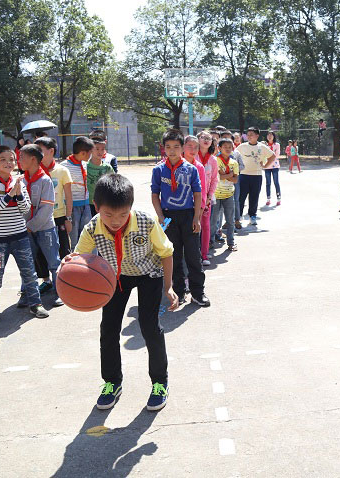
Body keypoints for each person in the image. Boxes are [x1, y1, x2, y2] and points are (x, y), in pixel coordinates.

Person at [67, 173, 179, 410]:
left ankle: (160, 382)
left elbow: (166, 252)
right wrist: (69, 264)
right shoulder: (92, 228)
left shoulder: (147, 222)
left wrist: (168, 287)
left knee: (149, 327)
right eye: (108, 214)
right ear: (96, 207)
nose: (115, 221)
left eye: (122, 214)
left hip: (149, 273)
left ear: (131, 206)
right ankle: (112, 382)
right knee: (108, 329)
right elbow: (80, 256)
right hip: (114, 277)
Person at [0, 145, 49, 323]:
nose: (8, 163)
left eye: (11, 159)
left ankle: (35, 304)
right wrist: (9, 195)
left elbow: (25, 209)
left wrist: (18, 194)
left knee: (29, 272)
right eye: (3, 160)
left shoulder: (20, 183)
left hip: (20, 237)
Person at [151, 129, 209, 308]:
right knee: (173, 255)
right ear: (164, 148)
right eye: (168, 147)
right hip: (168, 217)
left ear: (182, 148)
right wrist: (160, 216)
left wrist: (197, 218)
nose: (172, 150)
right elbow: (155, 194)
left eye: (176, 146)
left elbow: (197, 194)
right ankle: (178, 292)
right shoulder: (158, 170)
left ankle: (197, 293)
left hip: (188, 215)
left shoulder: (191, 169)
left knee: (193, 256)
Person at [18, 144, 62, 306]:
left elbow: (47, 208)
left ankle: (59, 292)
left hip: (45, 228)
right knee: (27, 263)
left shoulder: (45, 180)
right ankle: (27, 293)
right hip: (26, 230)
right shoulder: (21, 180)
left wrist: (30, 226)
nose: (19, 160)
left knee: (53, 262)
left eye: (22, 157)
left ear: (33, 159)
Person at [34, 137, 73, 259]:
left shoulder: (62, 171)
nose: (36, 154)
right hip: (40, 217)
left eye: (40, 150)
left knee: (64, 251)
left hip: (59, 216)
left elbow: (69, 196)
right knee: (41, 254)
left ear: (51, 151)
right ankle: (45, 273)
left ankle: (63, 272)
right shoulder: (33, 170)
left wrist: (68, 218)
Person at [236, 127, 275, 226]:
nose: (249, 137)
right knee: (241, 197)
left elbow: (273, 156)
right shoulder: (242, 146)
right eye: (248, 135)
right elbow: (234, 156)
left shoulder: (262, 147)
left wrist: (265, 166)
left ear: (257, 136)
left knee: (254, 197)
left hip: (257, 176)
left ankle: (252, 216)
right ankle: (238, 216)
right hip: (243, 175)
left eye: (251, 135)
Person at [61, 136, 94, 246]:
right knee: (73, 237)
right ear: (83, 153)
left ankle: (89, 256)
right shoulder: (64, 167)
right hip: (72, 207)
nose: (91, 155)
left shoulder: (84, 164)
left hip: (85, 204)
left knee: (88, 236)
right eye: (90, 153)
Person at [211, 138, 239, 252]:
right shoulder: (215, 160)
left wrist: (225, 175)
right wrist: (230, 174)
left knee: (230, 221)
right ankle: (210, 242)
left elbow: (235, 180)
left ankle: (231, 243)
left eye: (230, 147)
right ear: (219, 148)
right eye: (225, 147)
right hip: (216, 195)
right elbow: (218, 177)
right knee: (213, 222)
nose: (227, 149)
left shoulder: (234, 162)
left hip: (229, 195)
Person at [197, 131, 218, 265]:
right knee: (194, 226)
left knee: (205, 225)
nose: (206, 140)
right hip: (192, 198)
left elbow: (215, 179)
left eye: (209, 138)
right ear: (198, 139)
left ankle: (204, 254)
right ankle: (194, 254)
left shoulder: (213, 160)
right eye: (203, 137)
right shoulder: (192, 156)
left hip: (206, 198)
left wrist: (209, 197)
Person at [87, 137, 114, 215]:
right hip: (88, 203)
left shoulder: (107, 167)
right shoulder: (85, 166)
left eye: (102, 149)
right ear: (91, 150)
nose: (100, 152)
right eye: (97, 149)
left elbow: (113, 184)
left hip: (104, 203)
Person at [264, 131, 282, 206]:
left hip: (275, 166)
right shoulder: (264, 145)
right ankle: (268, 198)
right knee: (268, 183)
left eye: (271, 135)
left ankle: (278, 198)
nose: (269, 136)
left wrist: (269, 157)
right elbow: (263, 155)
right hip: (267, 166)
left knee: (276, 182)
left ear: (274, 136)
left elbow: (276, 155)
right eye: (268, 135)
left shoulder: (277, 145)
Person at [231, 132, 244, 229]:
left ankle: (237, 220)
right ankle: (228, 221)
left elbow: (242, 166)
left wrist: (234, 170)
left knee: (236, 200)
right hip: (222, 181)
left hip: (235, 179)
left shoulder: (237, 153)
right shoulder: (219, 154)